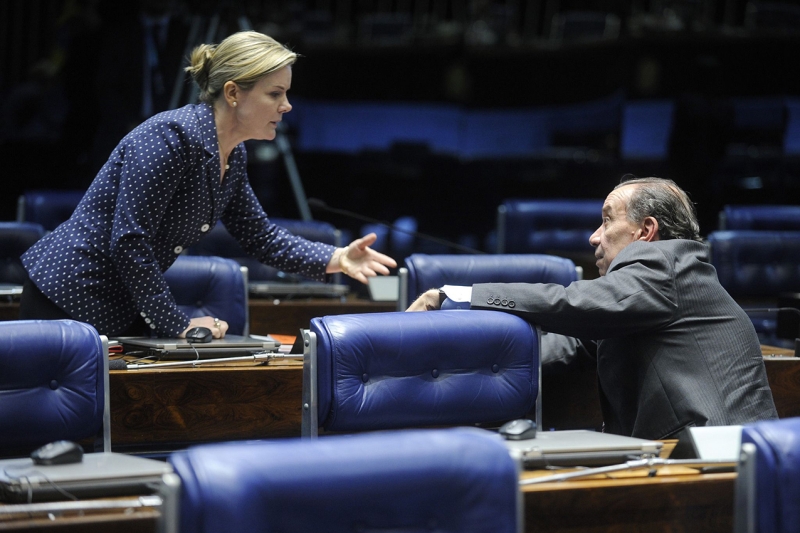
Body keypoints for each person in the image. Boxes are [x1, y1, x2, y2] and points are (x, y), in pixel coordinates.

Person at [20, 30, 396, 339]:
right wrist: (177, 323)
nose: (287, 106)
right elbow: (129, 240)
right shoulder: (168, 139)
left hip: (119, 301)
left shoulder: (231, 153)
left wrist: (336, 258)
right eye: (275, 93)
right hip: (67, 294)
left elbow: (258, 235)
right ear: (233, 93)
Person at [408, 176, 778, 440]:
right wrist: (441, 358)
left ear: (645, 232)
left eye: (607, 219)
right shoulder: (633, 303)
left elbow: (570, 302)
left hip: (721, 459)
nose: (594, 237)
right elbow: (553, 350)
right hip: (696, 454)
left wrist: (458, 295)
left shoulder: (667, 264)